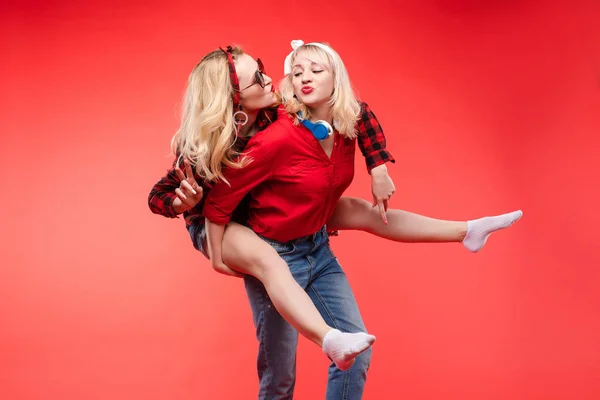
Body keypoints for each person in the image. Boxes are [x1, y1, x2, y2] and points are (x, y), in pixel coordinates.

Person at [201, 41, 522, 399]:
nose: (305, 77)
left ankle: (468, 230)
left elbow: (363, 115)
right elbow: (219, 201)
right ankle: (466, 232)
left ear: (336, 77)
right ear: (288, 84)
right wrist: (218, 256)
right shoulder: (275, 139)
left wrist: (378, 167)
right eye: (297, 72)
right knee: (279, 377)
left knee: (357, 353)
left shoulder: (345, 124)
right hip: (276, 254)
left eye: (316, 71)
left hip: (318, 249)